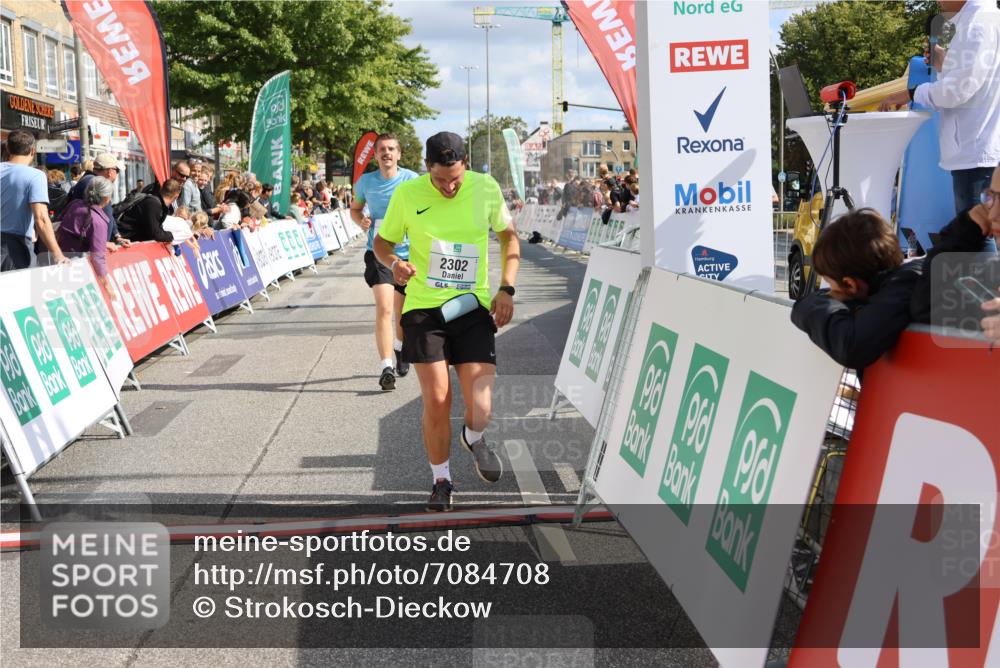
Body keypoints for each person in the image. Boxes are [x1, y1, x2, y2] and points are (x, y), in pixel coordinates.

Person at [374, 131, 521, 511]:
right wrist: (395, 265)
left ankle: (473, 436)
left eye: (455, 178)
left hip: (471, 308)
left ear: (465, 166)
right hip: (424, 310)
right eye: (440, 180)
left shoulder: (485, 187)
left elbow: (509, 238)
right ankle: (442, 480)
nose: (450, 187)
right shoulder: (408, 194)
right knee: (438, 399)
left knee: (482, 404)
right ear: (426, 168)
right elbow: (382, 243)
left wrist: (506, 289)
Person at [879, 0, 1000, 252]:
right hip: (975, 149)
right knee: (980, 235)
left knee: (979, 235)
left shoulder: (978, 24)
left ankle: (986, 293)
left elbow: (958, 90)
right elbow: (967, 80)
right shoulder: (976, 21)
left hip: (976, 152)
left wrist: (912, 93)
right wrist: (943, 63)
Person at [791, 208, 922, 373]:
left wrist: (811, 305)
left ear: (850, 285)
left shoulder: (903, 286)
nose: (831, 293)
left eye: (832, 286)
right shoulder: (896, 285)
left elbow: (852, 347)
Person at [351, 133, 419, 391]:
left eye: (391, 149)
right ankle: (386, 367)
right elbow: (355, 209)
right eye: (382, 149)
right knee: (385, 308)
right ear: (376, 155)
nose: (387, 153)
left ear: (399, 154)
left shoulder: (412, 179)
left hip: (408, 254)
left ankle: (400, 346)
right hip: (378, 252)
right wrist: (361, 221)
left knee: (402, 313)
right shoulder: (366, 182)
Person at [911, 163, 1000, 344]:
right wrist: (967, 229)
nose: (992, 215)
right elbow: (929, 311)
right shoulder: (994, 272)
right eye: (992, 198)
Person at [1, 129, 67, 270]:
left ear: (7, 148)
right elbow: (41, 218)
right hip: (14, 248)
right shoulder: (35, 176)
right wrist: (57, 254)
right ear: (33, 151)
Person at [55, 176, 115, 295]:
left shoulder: (75, 205)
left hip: (57, 261)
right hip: (77, 270)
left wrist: (104, 243)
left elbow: (65, 228)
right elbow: (98, 257)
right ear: (107, 199)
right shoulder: (99, 221)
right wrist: (107, 286)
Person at [117, 178, 182, 243]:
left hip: (128, 240)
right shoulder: (153, 204)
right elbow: (156, 234)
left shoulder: (155, 202)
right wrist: (173, 236)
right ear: (176, 196)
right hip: (123, 240)